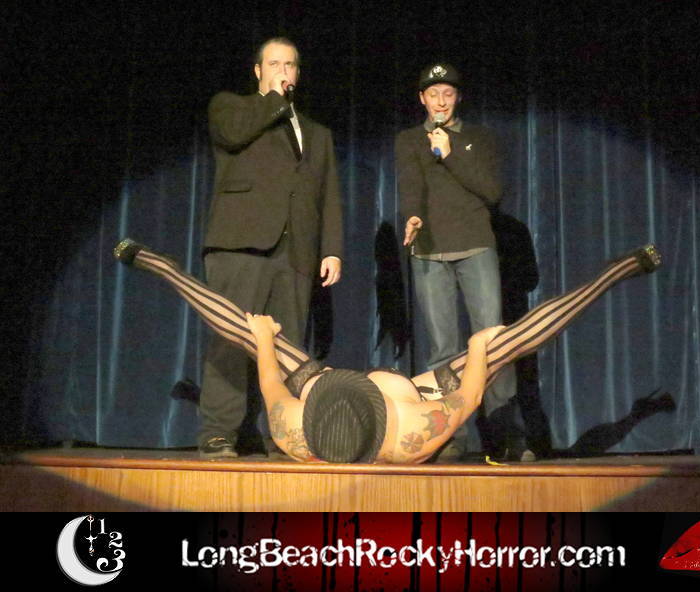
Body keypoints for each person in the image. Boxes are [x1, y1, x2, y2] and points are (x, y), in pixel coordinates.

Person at [113, 238, 661, 464]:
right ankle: (617, 271)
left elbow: (271, 384)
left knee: (251, 333)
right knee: (506, 342)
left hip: (330, 407)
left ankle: (159, 265)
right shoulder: (413, 431)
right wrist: (477, 348)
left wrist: (261, 339)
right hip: (416, 395)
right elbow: (470, 395)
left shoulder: (294, 429)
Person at [199, 37, 343, 458]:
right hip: (240, 243)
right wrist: (275, 101)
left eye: (290, 65)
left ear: (299, 73)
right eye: (274, 64)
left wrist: (331, 248)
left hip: (296, 251)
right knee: (232, 341)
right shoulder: (230, 107)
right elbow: (233, 134)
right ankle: (219, 432)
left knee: (288, 348)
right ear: (258, 71)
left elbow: (328, 195)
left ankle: (283, 432)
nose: (283, 71)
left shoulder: (317, 133)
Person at [394, 62, 517, 460]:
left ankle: (505, 434)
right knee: (442, 352)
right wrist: (412, 216)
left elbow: (492, 191)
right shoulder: (408, 140)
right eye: (433, 94)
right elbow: (410, 186)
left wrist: (450, 153)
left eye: (448, 94)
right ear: (422, 99)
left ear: (458, 97)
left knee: (493, 342)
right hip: (430, 252)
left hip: (475, 247)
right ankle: (449, 436)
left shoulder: (479, 138)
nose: (441, 102)